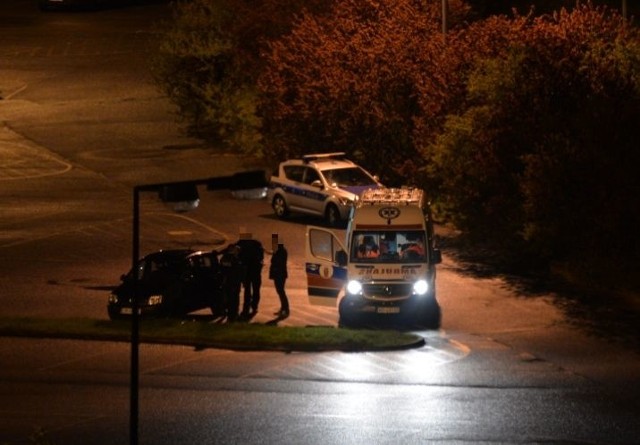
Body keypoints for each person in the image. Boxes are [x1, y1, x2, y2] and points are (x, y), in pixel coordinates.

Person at [236, 232, 265, 317]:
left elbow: (237, 255)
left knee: (247, 291)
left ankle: (246, 308)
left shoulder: (242, 245)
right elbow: (261, 257)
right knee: (256, 290)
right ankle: (254, 306)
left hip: (247, 272)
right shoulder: (257, 244)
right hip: (256, 271)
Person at [218, 244, 243, 322]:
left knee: (230, 298)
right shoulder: (234, 259)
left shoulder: (227, 258)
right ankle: (232, 314)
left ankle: (230, 312)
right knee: (233, 298)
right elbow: (237, 270)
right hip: (232, 281)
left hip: (230, 281)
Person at [269, 243, 289, 317]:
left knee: (281, 291)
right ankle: (284, 308)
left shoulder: (280, 252)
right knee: (280, 291)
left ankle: (285, 308)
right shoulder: (281, 251)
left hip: (279, 275)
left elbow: (276, 262)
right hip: (280, 274)